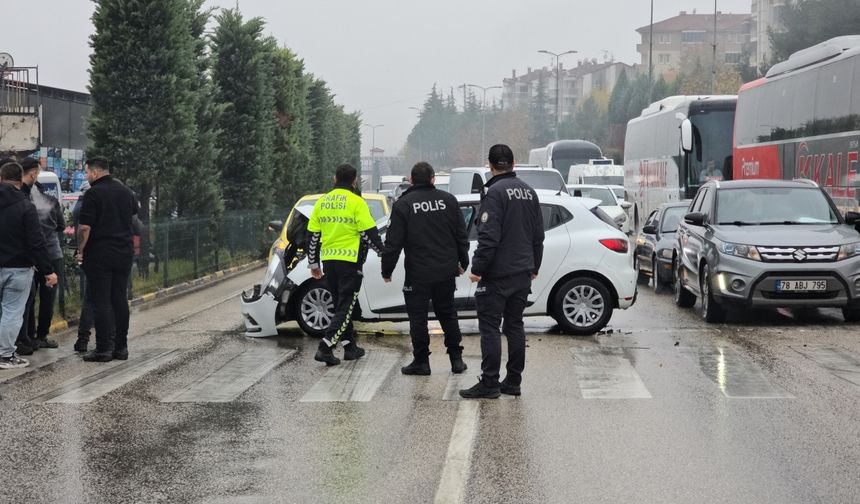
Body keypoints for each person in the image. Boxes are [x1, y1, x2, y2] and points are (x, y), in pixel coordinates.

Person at [460, 144, 544, 399]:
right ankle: (513, 381)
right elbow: (537, 236)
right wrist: (534, 267)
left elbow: (488, 237)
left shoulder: (494, 193)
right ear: (513, 163)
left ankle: (490, 383)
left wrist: (477, 269)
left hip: (497, 275)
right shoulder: (529, 193)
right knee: (515, 326)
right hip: (522, 272)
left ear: (490, 164)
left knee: (489, 327)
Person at [381, 162, 469, 375]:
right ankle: (456, 360)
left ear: (411, 180)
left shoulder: (404, 205)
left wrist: (387, 270)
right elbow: (460, 235)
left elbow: (394, 243)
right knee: (447, 313)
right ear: (433, 179)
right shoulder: (449, 201)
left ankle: (422, 361)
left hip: (418, 272)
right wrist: (463, 262)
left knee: (418, 317)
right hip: (446, 270)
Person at [306, 163, 385, 366]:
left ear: (334, 179)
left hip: (329, 262)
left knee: (342, 305)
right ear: (354, 180)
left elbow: (313, 236)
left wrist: (314, 264)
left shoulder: (322, 202)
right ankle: (325, 347)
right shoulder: (356, 202)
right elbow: (369, 234)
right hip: (350, 262)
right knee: (346, 307)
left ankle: (350, 347)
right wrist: (385, 254)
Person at [76, 157, 138, 362]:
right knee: (119, 299)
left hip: (100, 254)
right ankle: (121, 347)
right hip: (124, 253)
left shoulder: (93, 193)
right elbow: (133, 215)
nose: (87, 176)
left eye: (87, 172)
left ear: (94, 172)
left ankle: (103, 349)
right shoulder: (125, 191)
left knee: (101, 301)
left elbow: (85, 227)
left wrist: (80, 249)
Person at [0, 162, 58, 370]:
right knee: (12, 312)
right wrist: (48, 271)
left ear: (1, 178)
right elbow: (36, 242)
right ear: (19, 179)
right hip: (18, 268)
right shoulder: (26, 206)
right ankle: (5, 355)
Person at [20, 158, 65, 350]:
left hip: (29, 256)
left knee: (28, 298)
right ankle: (42, 335)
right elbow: (62, 226)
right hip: (52, 255)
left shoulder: (21, 202)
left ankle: (28, 335)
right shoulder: (51, 202)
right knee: (48, 298)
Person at [72, 180, 94, 352]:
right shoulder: (86, 207)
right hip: (94, 254)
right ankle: (85, 338)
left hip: (88, 255)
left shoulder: (79, 207)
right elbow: (84, 229)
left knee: (91, 296)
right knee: (97, 297)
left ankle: (82, 339)